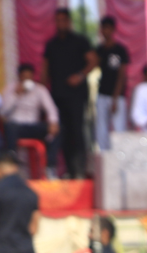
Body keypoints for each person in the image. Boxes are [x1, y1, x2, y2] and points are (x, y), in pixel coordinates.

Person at [42, 8, 96, 178]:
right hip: (57, 95)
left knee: (77, 131)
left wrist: (80, 75)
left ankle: (80, 169)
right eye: (58, 20)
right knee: (62, 133)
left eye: (63, 20)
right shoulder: (51, 44)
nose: (61, 23)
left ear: (69, 22)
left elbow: (93, 60)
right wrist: (41, 92)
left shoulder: (80, 41)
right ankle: (69, 170)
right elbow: (45, 69)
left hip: (77, 95)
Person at [1, 64, 61, 179]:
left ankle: (50, 167)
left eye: (30, 77)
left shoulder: (40, 89)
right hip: (16, 127)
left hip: (33, 127)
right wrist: (16, 95)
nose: (27, 80)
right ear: (19, 77)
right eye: (24, 77)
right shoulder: (11, 89)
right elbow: (2, 112)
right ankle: (12, 166)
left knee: (59, 128)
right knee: (9, 126)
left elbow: (51, 109)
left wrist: (53, 122)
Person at [95, 15, 130, 151]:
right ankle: (104, 156)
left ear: (113, 30)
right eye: (104, 28)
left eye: (108, 28)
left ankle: (120, 154)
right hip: (102, 93)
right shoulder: (99, 50)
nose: (106, 31)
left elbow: (122, 75)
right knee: (101, 128)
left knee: (119, 128)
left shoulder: (120, 50)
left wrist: (115, 98)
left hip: (117, 96)